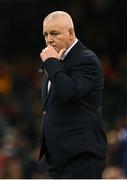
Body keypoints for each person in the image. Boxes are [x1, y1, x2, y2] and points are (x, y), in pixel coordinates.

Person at [39, 11, 107, 179]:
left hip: (81, 157)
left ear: (70, 33)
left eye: (54, 33)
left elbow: (69, 92)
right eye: (46, 34)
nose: (49, 39)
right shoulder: (55, 59)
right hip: (57, 157)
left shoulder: (86, 59)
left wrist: (51, 63)